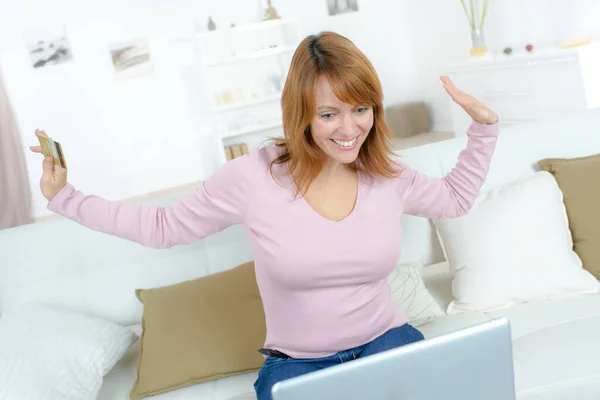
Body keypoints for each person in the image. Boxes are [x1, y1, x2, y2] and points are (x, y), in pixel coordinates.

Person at [30, 32, 499, 400]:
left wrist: (484, 128)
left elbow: (454, 199)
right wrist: (66, 197)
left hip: (386, 345)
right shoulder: (252, 177)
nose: (350, 128)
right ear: (301, 114)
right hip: (299, 365)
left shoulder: (385, 173)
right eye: (330, 114)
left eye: (361, 109)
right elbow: (162, 227)